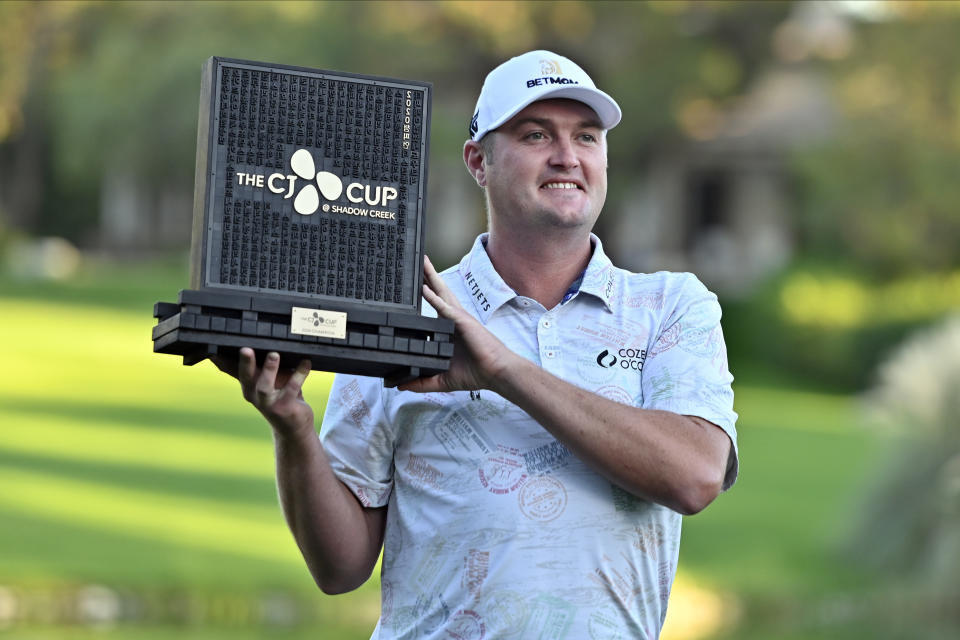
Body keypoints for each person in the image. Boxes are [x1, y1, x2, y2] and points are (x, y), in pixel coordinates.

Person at [219, 50, 738, 639]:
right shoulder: (405, 314)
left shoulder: (669, 305)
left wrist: (500, 370)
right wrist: (293, 431)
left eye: (586, 137)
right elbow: (340, 568)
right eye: (535, 134)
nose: (567, 156)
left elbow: (694, 477)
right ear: (478, 161)